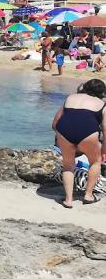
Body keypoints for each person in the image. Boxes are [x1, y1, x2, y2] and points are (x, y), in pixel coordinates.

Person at [52, 79, 105, 208]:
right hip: (88, 133)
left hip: (64, 131)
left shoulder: (71, 98)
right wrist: (104, 150)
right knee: (95, 161)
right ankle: (88, 195)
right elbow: (105, 128)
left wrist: (62, 138)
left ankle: (68, 200)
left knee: (68, 165)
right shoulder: (102, 104)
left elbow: (54, 123)